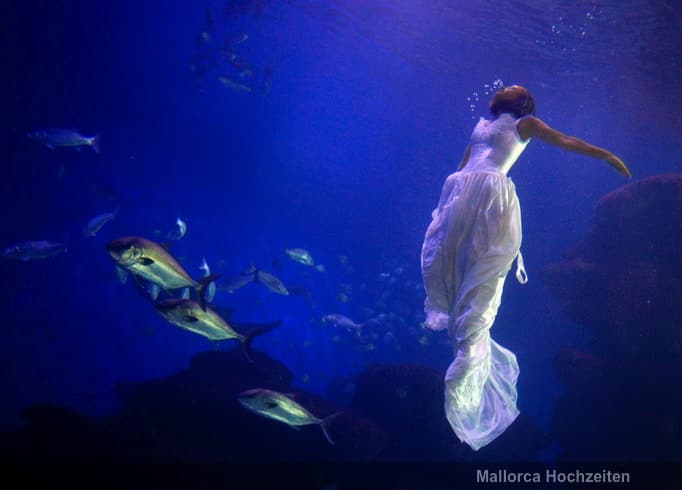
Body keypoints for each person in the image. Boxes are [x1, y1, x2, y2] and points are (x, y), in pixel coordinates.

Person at [420, 85, 630, 451]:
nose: (508, 86)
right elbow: (466, 161)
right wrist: (445, 204)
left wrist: (604, 155)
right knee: (446, 259)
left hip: (491, 194)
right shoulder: (482, 122)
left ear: (522, 101)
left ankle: (470, 347)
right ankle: (460, 327)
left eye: (515, 89)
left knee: (484, 269)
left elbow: (564, 140)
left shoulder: (527, 123)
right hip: (461, 192)